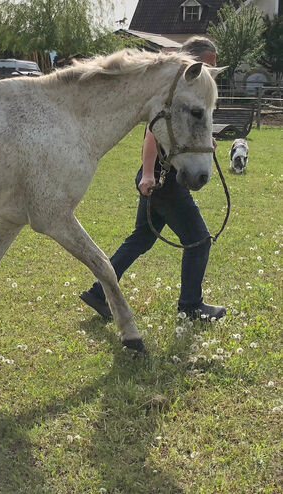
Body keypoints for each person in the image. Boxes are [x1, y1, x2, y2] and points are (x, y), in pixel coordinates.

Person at [79, 37, 227, 321]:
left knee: (141, 239)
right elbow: (150, 134)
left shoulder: (187, 94)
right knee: (198, 241)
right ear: (191, 61)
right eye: (208, 63)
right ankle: (191, 305)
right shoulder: (175, 91)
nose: (211, 70)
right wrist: (148, 173)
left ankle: (99, 292)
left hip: (160, 178)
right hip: (163, 180)